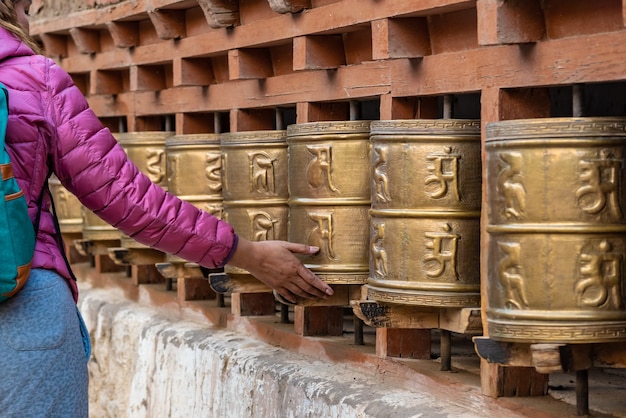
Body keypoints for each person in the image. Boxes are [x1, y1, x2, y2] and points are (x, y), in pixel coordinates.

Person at [0, 1, 334, 416]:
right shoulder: (33, 80)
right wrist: (244, 253)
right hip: (22, 305)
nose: (30, 20)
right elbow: (125, 198)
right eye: (27, 6)